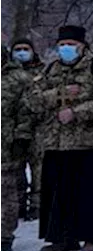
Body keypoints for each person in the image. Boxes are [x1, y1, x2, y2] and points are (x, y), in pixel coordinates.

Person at [25, 26, 93, 251]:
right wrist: (60, 94)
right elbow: (32, 99)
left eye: (71, 44)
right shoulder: (50, 70)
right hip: (56, 142)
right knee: (58, 193)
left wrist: (77, 112)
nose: (65, 49)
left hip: (88, 143)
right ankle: (61, 237)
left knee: (89, 193)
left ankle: (91, 237)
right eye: (62, 45)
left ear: (82, 45)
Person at [0, 49, 33, 251]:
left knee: (6, 194)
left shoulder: (19, 78)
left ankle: (4, 236)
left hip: (6, 144)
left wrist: (21, 136)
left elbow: (27, 110)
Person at [9, 38, 42, 221]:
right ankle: (18, 204)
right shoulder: (7, 73)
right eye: (18, 49)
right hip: (12, 129)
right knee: (15, 169)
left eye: (25, 49)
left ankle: (37, 206)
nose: (22, 52)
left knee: (39, 169)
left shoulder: (43, 71)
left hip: (39, 129)